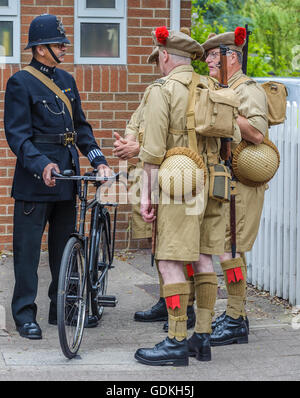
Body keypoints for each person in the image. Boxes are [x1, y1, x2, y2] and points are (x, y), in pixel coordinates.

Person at [4, 14, 111, 340]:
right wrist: (42, 166)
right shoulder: (20, 82)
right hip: (35, 182)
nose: (65, 46)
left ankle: (62, 309)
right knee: (27, 253)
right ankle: (24, 315)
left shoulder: (66, 80)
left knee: (65, 247)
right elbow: (18, 136)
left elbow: (81, 129)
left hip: (66, 179)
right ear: (39, 49)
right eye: (58, 42)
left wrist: (99, 161)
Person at [134, 27, 236, 366]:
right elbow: (230, 134)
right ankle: (202, 338)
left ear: (164, 56)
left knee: (170, 259)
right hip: (213, 182)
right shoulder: (210, 86)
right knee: (205, 257)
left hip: (181, 181)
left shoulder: (162, 90)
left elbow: (151, 151)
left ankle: (176, 341)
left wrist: (147, 196)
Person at [113, 43, 196, 330]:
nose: (157, 66)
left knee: (177, 247)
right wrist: (129, 143)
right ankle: (168, 301)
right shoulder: (156, 91)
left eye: (158, 59)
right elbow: (135, 122)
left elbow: (169, 138)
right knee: (158, 241)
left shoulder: (178, 89)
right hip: (156, 174)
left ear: (165, 57)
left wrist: (138, 147)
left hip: (176, 178)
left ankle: (184, 311)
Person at [201, 29, 268, 346]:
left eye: (215, 55)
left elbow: (256, 132)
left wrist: (226, 107)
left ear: (232, 58)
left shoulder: (248, 90)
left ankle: (236, 318)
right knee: (227, 251)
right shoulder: (225, 88)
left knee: (231, 252)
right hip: (225, 184)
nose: (210, 61)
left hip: (242, 185)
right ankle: (234, 315)